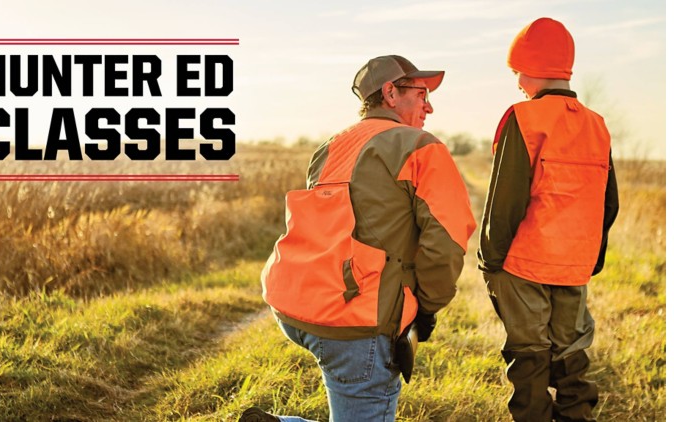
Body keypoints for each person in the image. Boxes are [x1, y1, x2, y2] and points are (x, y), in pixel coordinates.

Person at [242, 55, 476, 421]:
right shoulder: (420, 146)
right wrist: (426, 308)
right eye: (422, 93)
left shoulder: (331, 145)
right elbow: (447, 239)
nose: (429, 106)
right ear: (390, 93)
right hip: (357, 325)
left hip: (296, 308)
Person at [477, 18, 619, 422]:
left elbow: (506, 199)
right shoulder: (597, 125)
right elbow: (609, 203)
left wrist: (490, 257)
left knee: (530, 354)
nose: (517, 80)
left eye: (517, 71)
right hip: (574, 263)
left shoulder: (523, 118)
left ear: (532, 70)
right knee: (572, 350)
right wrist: (592, 257)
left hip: (524, 262)